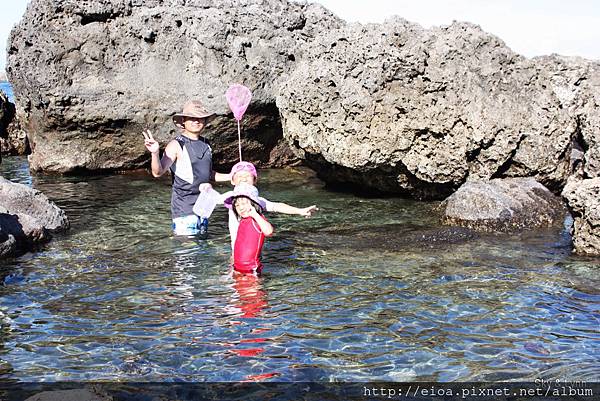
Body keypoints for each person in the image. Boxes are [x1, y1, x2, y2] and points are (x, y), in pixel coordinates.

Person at [142, 99, 231, 237]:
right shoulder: (176, 144)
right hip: (184, 213)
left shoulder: (207, 144)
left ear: (205, 121)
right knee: (186, 255)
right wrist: (155, 152)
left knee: (201, 254)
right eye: (192, 118)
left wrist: (231, 176)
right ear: (183, 121)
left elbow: (207, 175)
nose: (196, 121)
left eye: (200, 118)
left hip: (203, 209)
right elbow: (157, 172)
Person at [200, 161, 318, 250]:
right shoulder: (230, 197)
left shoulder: (256, 200)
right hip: (236, 248)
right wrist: (206, 188)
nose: (243, 178)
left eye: (247, 176)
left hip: (252, 248)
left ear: (255, 180)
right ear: (232, 181)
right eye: (239, 176)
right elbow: (213, 198)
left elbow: (277, 206)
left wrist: (300, 211)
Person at [226, 184, 274, 275]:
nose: (240, 207)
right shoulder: (242, 221)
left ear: (253, 203)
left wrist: (255, 214)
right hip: (238, 269)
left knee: (251, 289)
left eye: (244, 203)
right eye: (237, 205)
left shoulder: (257, 219)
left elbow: (269, 231)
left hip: (251, 270)